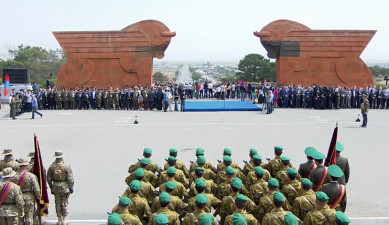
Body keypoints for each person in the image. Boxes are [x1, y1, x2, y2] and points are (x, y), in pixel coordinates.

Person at [47, 151, 75, 225]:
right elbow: (70, 178)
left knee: (57, 202)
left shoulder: (51, 167)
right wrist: (71, 187)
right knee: (64, 202)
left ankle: (59, 220)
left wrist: (51, 187)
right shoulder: (66, 166)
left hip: (55, 186)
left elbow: (48, 179)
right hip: (64, 186)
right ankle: (64, 219)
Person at [14, 158, 41, 225]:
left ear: (19, 166)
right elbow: (36, 188)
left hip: (17, 198)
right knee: (29, 217)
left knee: (19, 217)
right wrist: (39, 197)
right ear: (26, 166)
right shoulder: (31, 176)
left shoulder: (14, 176)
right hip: (28, 197)